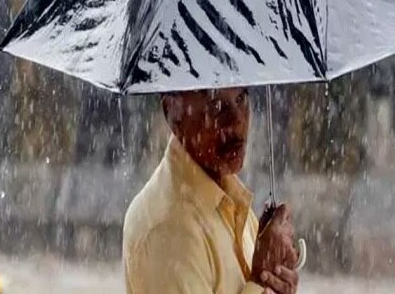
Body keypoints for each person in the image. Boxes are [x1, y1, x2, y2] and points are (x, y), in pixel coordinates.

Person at [123, 87, 299, 294]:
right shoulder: (168, 230)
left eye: (241, 99)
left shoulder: (230, 201)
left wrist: (272, 282)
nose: (237, 121)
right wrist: (261, 278)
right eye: (216, 105)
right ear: (173, 112)